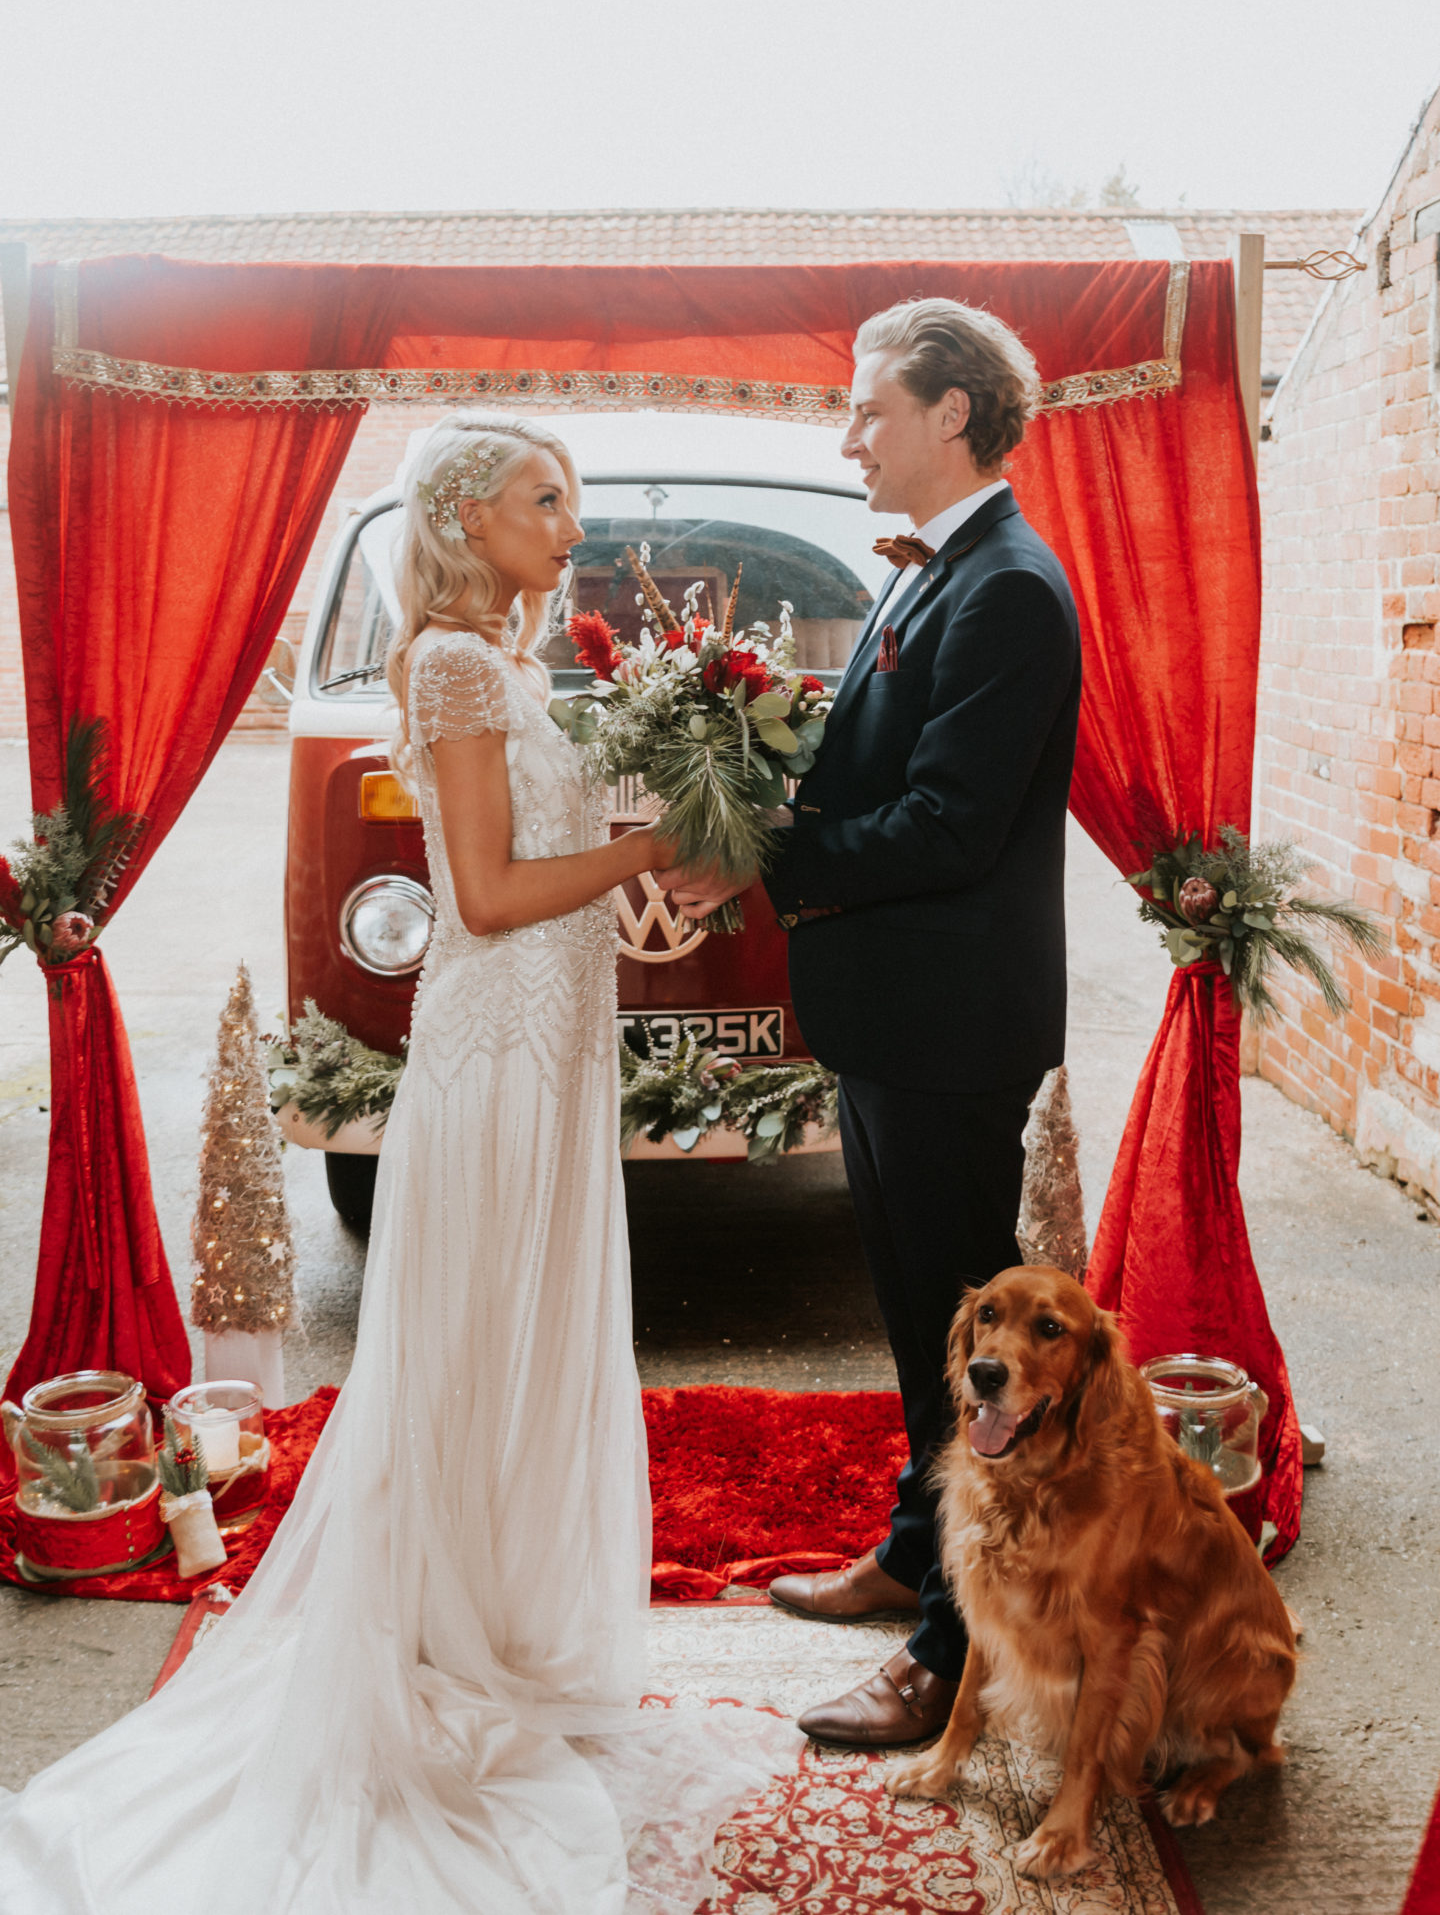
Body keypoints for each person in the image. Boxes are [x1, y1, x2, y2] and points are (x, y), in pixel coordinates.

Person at [0, 416, 796, 1913]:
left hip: (553, 1053)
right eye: (539, 497)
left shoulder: (507, 658)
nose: (569, 519)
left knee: (519, 1342)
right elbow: (485, 896)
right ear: (463, 516)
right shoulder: (443, 658)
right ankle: (430, 1644)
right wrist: (648, 849)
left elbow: (536, 852)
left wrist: (642, 888)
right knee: (469, 1345)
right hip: (492, 1059)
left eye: (567, 495)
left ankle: (488, 1625)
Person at [660, 301, 1082, 1749]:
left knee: (976, 1361)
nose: (849, 433)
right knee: (917, 1329)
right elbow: (870, 774)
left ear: (951, 413)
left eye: (867, 408)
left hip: (952, 1025)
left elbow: (953, 827)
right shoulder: (928, 574)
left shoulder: (1010, 587)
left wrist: (765, 856)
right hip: (893, 1017)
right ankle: (917, 1552)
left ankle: (949, 1653)